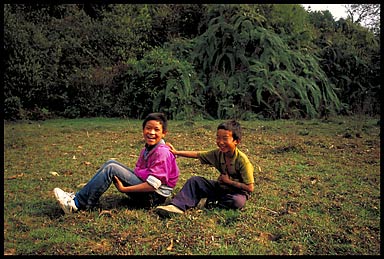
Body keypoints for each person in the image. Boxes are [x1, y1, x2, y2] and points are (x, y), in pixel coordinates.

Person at [53, 112, 179, 214]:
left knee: (111, 168)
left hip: (154, 198)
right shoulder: (148, 148)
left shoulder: (161, 152)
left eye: (156, 130)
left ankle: (76, 204)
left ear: (164, 133)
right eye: (148, 128)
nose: (151, 133)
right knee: (111, 162)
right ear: (143, 130)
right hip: (148, 190)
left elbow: (153, 185)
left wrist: (125, 189)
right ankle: (82, 197)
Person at [155, 119, 254, 217]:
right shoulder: (218, 153)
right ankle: (177, 206)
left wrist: (229, 182)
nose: (220, 142)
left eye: (225, 138)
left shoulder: (243, 161)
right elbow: (198, 154)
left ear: (236, 141)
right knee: (195, 181)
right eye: (218, 138)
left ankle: (208, 203)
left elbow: (250, 188)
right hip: (221, 187)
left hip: (236, 193)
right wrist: (176, 152)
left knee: (237, 202)